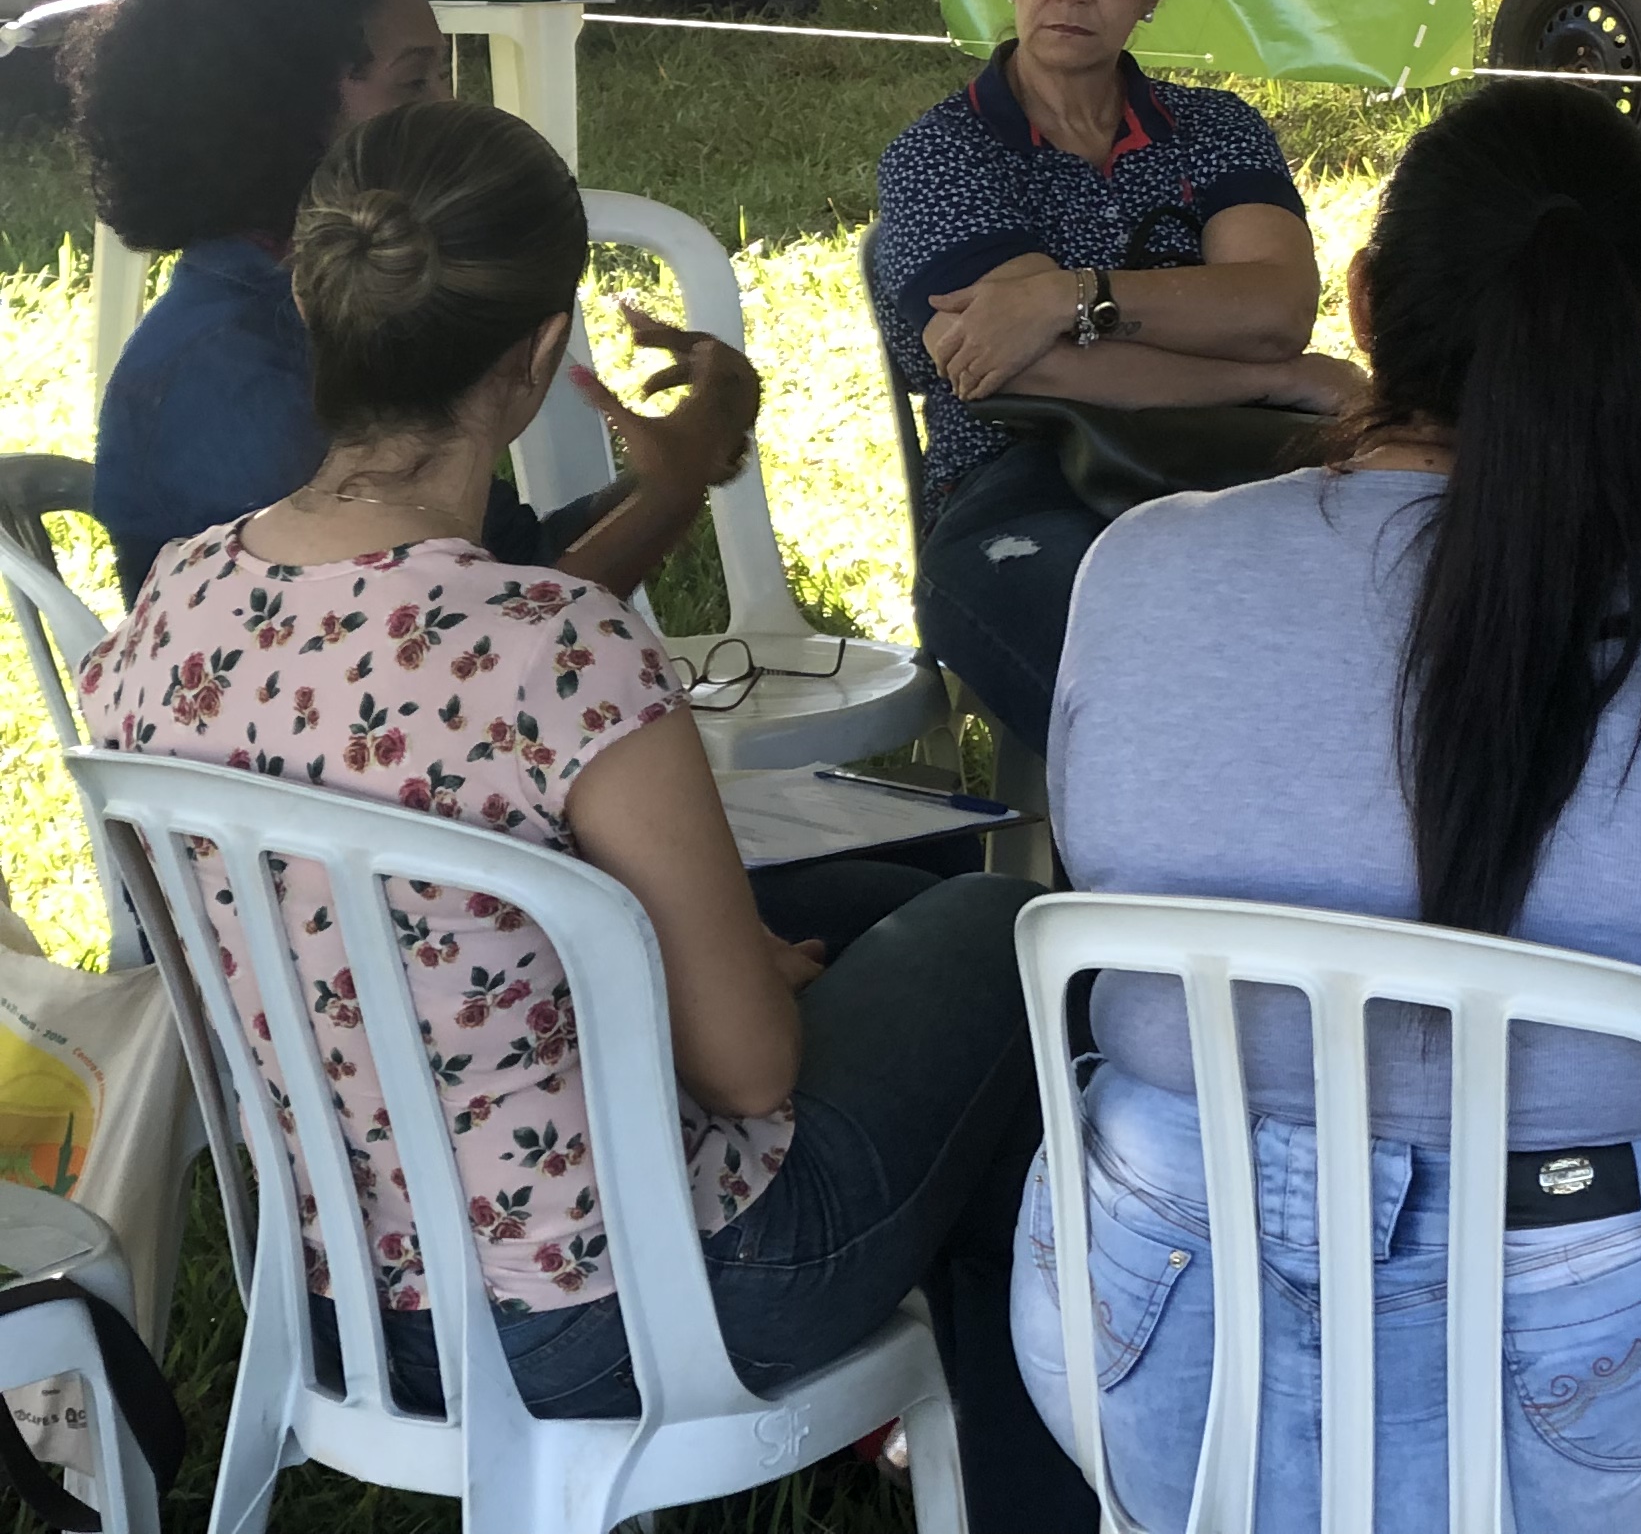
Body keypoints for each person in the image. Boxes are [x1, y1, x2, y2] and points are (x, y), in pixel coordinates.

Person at [82, 99, 1086, 1525]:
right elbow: (748, 1072)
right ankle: (1026, 1452)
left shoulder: (171, 605)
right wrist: (749, 994)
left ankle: (980, 1426)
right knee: (1011, 934)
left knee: (890, 941)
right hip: (631, 1309)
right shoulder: (552, 643)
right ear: (544, 352)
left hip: (338, 1291)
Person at [1018, 80, 1641, 1527]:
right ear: (1626, 331)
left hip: (1152, 1339)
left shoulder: (1139, 569)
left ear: (1365, 304)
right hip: (1614, 1363)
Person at [66, 0, 755, 604]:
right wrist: (676, 483)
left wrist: (678, 462)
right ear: (282, 109)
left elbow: (506, 568)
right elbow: (464, 642)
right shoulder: (233, 377)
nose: (447, 106)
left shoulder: (336, 303)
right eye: (415, 81)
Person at [869, 0, 1359, 760]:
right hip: (1017, 493)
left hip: (1231, 484)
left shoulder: (1215, 132)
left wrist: (1068, 295)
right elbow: (1044, 377)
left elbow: (1270, 307)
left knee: (1354, 652)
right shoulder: (943, 154)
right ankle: (1099, 904)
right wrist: (1280, 380)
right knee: (1150, 700)